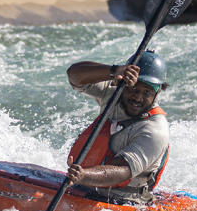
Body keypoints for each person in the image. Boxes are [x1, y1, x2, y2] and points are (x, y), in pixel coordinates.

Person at [64, 51, 170, 202]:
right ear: (123, 83)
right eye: (133, 88)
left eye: (147, 92)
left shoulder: (156, 129)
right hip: (85, 186)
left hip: (125, 200)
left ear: (157, 93)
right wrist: (114, 71)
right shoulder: (113, 94)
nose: (138, 97)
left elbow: (123, 170)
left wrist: (83, 175)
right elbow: (74, 76)